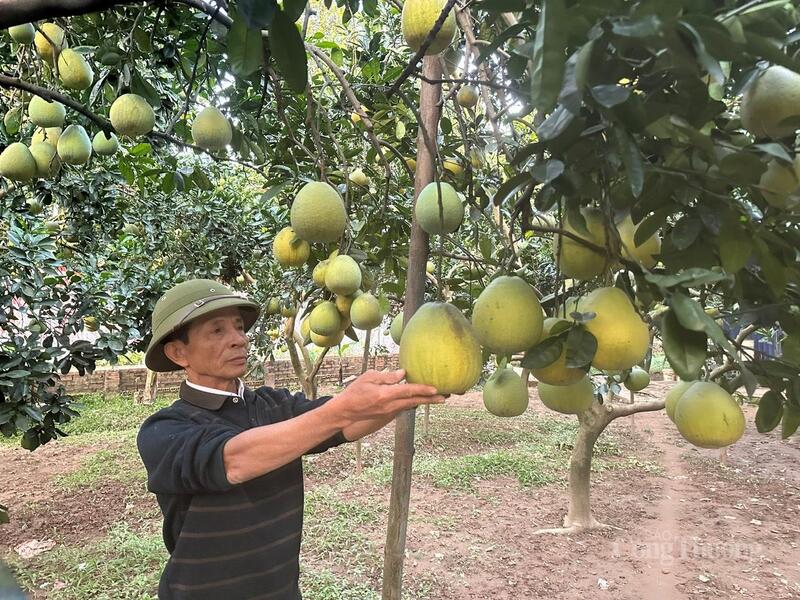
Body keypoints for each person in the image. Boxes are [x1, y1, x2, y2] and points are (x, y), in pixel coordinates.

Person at [136, 279, 444, 600]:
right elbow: (234, 461)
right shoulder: (164, 430)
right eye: (217, 331)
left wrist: (409, 393)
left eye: (239, 328)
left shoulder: (272, 405)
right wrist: (341, 408)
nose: (239, 340)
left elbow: (346, 424)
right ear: (178, 352)